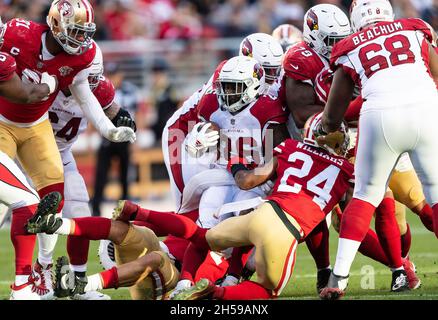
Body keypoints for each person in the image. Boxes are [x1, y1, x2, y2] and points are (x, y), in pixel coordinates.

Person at [0, 0, 136, 300]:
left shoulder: (83, 67)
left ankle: (53, 274)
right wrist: (48, 87)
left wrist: (114, 125)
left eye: (85, 33)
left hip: (45, 138)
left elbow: (96, 97)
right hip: (6, 125)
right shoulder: (18, 37)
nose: (82, 41)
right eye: (75, 31)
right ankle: (29, 280)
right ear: (57, 25)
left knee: (61, 205)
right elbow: (22, 92)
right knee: (21, 204)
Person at [314, 0, 438, 300]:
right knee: (434, 193)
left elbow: (333, 112)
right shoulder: (414, 29)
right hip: (425, 106)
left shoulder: (349, 45)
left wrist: (326, 127)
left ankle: (338, 278)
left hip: (379, 114)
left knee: (365, 195)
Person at [48, 44, 136, 300]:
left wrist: (125, 119)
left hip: (62, 155)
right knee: (23, 213)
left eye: (93, 75)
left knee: (80, 215)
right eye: (85, 74)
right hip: (26, 153)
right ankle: (29, 281)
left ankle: (77, 283)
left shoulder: (99, 87)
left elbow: (114, 110)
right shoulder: (48, 79)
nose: (90, 81)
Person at [91, 62, 140, 217]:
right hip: (107, 136)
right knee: (101, 174)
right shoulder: (103, 90)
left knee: (125, 174)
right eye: (110, 75)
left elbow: (136, 114)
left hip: (125, 137)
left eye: (115, 75)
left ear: (121, 75)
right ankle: (96, 206)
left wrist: (135, 138)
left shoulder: (130, 91)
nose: (113, 78)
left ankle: (125, 207)